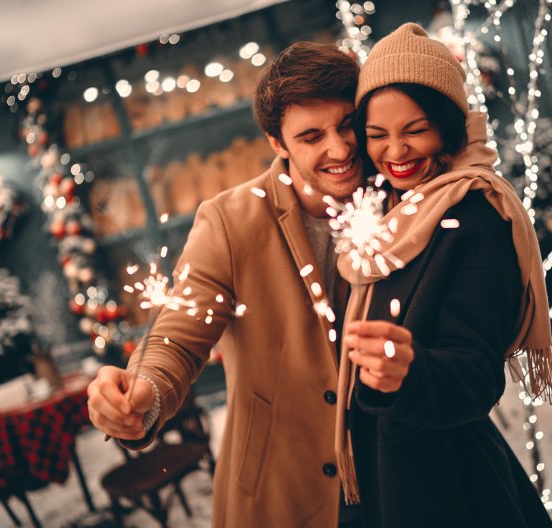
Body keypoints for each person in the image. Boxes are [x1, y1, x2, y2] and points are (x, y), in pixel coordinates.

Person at [87, 42, 365, 527]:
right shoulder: (230, 220)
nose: (339, 149)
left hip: (404, 472)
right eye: (311, 136)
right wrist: (143, 394)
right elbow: (179, 332)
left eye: (347, 124)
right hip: (285, 487)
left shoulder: (407, 198)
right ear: (277, 143)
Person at [332, 23, 552, 527]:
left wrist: (409, 372)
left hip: (443, 483)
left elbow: (475, 373)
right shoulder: (388, 209)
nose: (395, 152)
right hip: (377, 466)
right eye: (377, 135)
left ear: (449, 126)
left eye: (414, 130)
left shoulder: (473, 217)